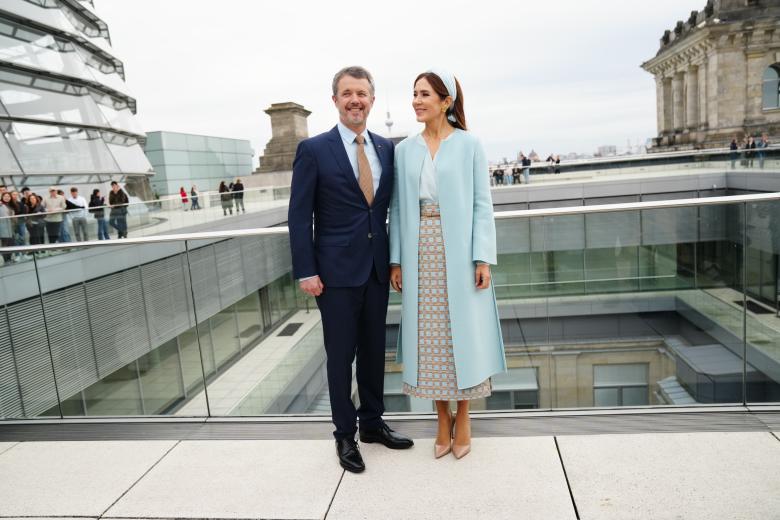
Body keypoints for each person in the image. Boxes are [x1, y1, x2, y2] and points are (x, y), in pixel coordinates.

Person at [289, 65, 413, 474]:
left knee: (374, 352)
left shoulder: (386, 148)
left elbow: (389, 211)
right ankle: (344, 434)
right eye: (347, 94)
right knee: (341, 357)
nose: (355, 100)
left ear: (372, 100)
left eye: (362, 93)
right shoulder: (314, 150)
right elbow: (298, 216)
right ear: (336, 100)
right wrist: (306, 270)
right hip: (334, 275)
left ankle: (372, 424)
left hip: (376, 271)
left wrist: (395, 261)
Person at [389, 69, 506, 460]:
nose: (417, 101)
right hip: (418, 250)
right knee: (430, 337)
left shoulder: (470, 144)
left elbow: (481, 204)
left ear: (445, 101)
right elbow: (398, 210)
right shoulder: (404, 149)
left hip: (460, 251)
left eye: (424, 94)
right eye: (414, 94)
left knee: (464, 334)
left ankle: (465, 416)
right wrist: (396, 260)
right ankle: (441, 418)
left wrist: (483, 257)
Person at [0, 192, 14, 264]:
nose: (7, 197)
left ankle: (9, 258)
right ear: (2, 197)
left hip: (10, 227)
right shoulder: (0, 205)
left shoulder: (10, 205)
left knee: (10, 243)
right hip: (3, 228)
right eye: (5, 196)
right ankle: (6, 260)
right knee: (5, 243)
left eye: (8, 196)